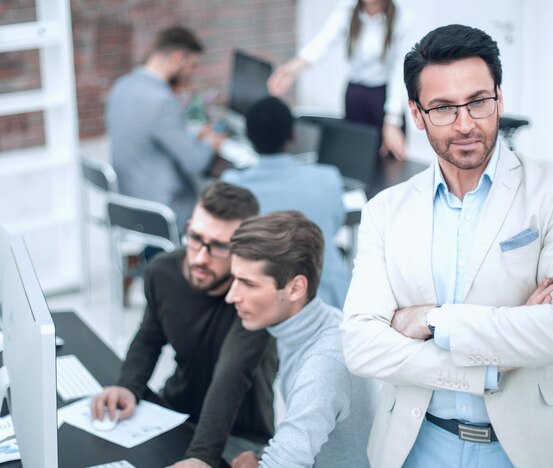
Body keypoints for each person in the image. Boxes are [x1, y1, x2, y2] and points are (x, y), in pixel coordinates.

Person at [341, 24, 553, 468]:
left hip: (528, 449)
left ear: (499, 98)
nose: (466, 123)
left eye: (478, 101)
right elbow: (360, 344)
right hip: (418, 445)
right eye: (444, 109)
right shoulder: (385, 210)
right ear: (416, 114)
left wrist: (434, 321)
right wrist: (485, 369)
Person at [91, 181, 277, 468]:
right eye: (195, 237)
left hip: (240, 434)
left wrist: (201, 457)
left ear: (244, 249)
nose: (200, 258)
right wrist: (127, 385)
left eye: (219, 246)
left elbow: (230, 376)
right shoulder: (162, 271)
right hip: (175, 412)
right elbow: (148, 339)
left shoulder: (254, 296)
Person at [225, 211, 374, 468]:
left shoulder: (324, 363)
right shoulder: (315, 323)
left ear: (295, 288)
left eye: (247, 283)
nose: (231, 296)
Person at [222, 96, 351, 309]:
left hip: (263, 302)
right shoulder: (329, 178)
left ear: (249, 136)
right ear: (293, 135)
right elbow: (336, 226)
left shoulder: (232, 186)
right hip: (329, 299)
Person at [107, 26, 225, 234]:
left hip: (127, 204)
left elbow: (149, 135)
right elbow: (196, 163)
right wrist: (212, 143)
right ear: (179, 57)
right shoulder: (161, 101)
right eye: (192, 65)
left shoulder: (122, 86)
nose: (191, 73)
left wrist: (192, 136)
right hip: (164, 212)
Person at [268, 0, 414, 160]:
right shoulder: (346, 10)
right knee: (355, 158)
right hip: (355, 96)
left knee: (389, 160)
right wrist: (289, 70)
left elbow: (400, 70)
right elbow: (322, 42)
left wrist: (392, 121)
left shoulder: (402, 18)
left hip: (385, 98)